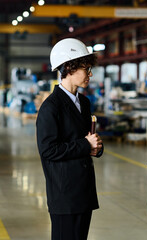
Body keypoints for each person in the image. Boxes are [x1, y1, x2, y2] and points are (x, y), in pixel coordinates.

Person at [36, 38, 103, 240]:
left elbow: (86, 139)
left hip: (83, 190)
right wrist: (85, 145)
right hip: (64, 195)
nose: (90, 74)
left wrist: (96, 147)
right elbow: (48, 150)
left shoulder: (83, 101)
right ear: (69, 68)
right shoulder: (51, 107)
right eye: (86, 68)